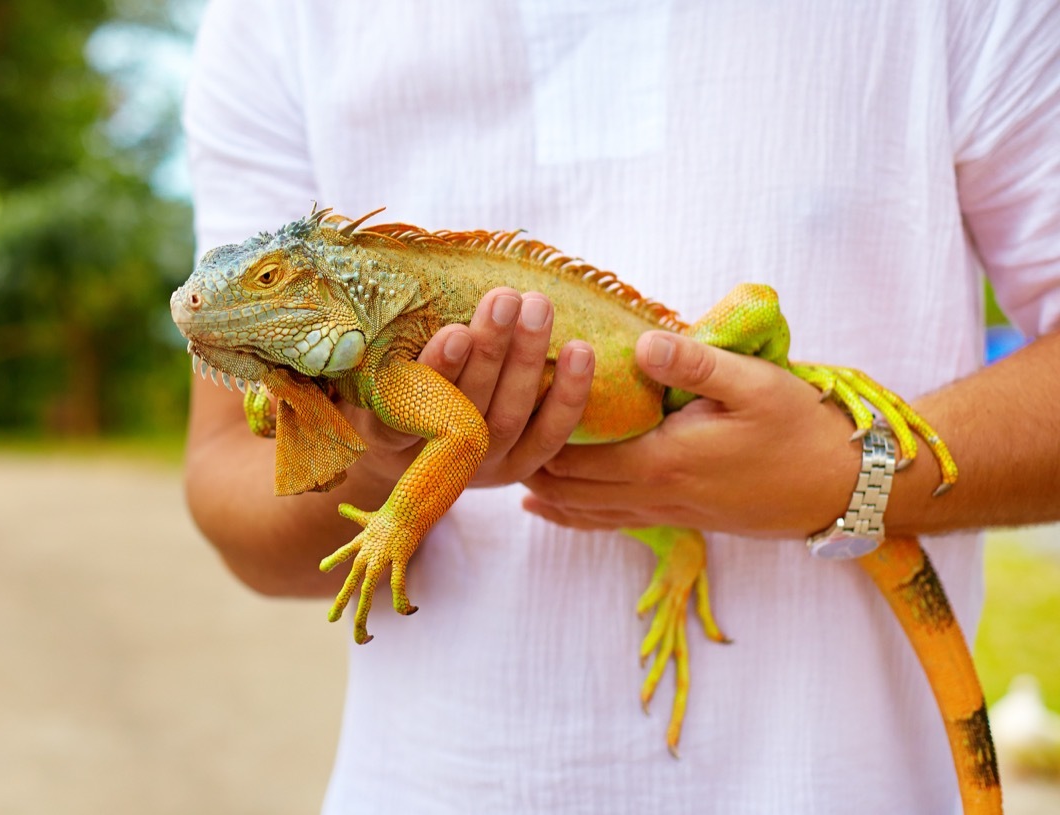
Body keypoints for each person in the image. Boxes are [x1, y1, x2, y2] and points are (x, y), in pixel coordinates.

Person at [180, 1, 1060, 812]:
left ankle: (810, 376)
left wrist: (847, 470)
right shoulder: (273, 20)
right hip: (427, 784)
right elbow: (233, 484)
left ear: (326, 284)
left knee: (740, 317)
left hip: (840, 779)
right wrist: (376, 458)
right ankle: (677, 553)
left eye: (266, 284)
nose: (195, 302)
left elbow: (453, 429)